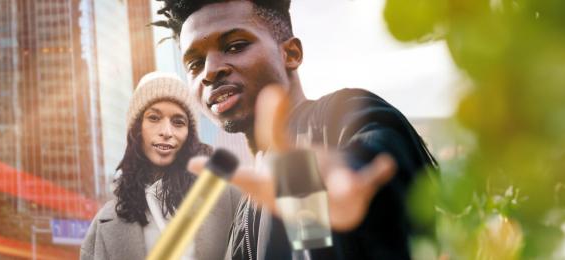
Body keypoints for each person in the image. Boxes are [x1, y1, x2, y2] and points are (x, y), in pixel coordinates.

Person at [154, 0, 438, 259]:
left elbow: (378, 154)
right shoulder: (247, 204)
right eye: (194, 63)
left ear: (291, 53)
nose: (210, 71)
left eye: (235, 46)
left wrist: (333, 176)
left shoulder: (343, 114)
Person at [80, 72, 242, 260]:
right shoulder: (104, 223)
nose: (166, 132)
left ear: (189, 134)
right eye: (154, 118)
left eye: (178, 122)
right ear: (136, 129)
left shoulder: (228, 195)